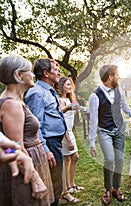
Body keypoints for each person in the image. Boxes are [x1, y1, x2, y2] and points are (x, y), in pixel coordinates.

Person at [0, 56, 54, 205]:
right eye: (29, 71)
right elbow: (15, 147)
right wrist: (35, 179)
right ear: (18, 75)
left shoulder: (17, 101)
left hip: (33, 161)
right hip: (23, 171)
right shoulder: (11, 105)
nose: (33, 75)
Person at [25, 58, 74, 206]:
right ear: (46, 73)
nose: (59, 71)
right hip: (49, 144)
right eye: (55, 69)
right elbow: (35, 126)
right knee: (53, 185)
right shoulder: (37, 93)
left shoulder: (50, 91)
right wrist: (46, 150)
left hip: (56, 142)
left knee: (56, 184)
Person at [89, 64, 131, 205]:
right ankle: (107, 190)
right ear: (110, 77)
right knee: (110, 159)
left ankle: (116, 188)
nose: (119, 77)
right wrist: (92, 142)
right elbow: (93, 120)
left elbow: (124, 107)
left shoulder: (119, 90)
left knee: (120, 160)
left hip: (119, 130)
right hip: (104, 130)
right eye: (117, 74)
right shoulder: (95, 95)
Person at [55, 76, 81, 203]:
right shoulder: (60, 100)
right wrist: (68, 107)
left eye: (70, 85)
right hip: (64, 132)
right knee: (66, 159)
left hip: (70, 131)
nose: (70, 87)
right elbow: (59, 114)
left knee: (75, 157)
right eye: (67, 85)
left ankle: (72, 184)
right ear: (61, 86)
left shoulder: (68, 99)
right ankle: (66, 188)